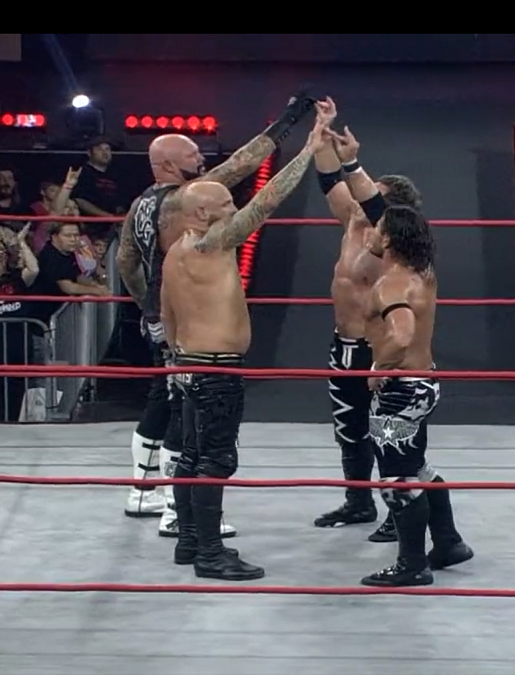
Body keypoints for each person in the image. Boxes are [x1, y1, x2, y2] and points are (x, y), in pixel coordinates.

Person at [116, 89, 318, 537]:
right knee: (187, 416)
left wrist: (149, 305)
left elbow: (126, 262)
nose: (203, 160)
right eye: (193, 155)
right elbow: (247, 172)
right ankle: (177, 510)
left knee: (163, 398)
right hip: (193, 322)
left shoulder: (141, 204)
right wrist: (291, 123)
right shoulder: (187, 203)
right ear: (168, 165)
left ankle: (143, 491)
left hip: (164, 312)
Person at [159, 102, 334, 580]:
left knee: (192, 456)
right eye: (224, 205)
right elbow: (266, 201)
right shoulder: (210, 242)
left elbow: (167, 315)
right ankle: (211, 554)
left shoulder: (175, 253)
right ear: (201, 212)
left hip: (191, 364)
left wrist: (178, 361)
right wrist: (310, 148)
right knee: (216, 458)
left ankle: (191, 543)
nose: (232, 209)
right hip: (215, 368)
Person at [348, 195, 472, 587]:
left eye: (377, 229)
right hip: (424, 383)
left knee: (396, 478)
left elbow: (401, 336)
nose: (371, 232)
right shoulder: (423, 273)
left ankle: (411, 564)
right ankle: (449, 542)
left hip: (399, 390)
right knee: (416, 467)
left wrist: (378, 369)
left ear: (389, 240)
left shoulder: (391, 284)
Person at [309, 119, 422, 544]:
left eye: (370, 193)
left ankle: (399, 512)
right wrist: (321, 136)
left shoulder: (391, 240)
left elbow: (373, 204)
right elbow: (329, 181)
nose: (358, 196)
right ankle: (358, 501)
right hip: (343, 345)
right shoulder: (352, 221)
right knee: (349, 429)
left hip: (378, 349)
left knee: (387, 434)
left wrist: (354, 163)